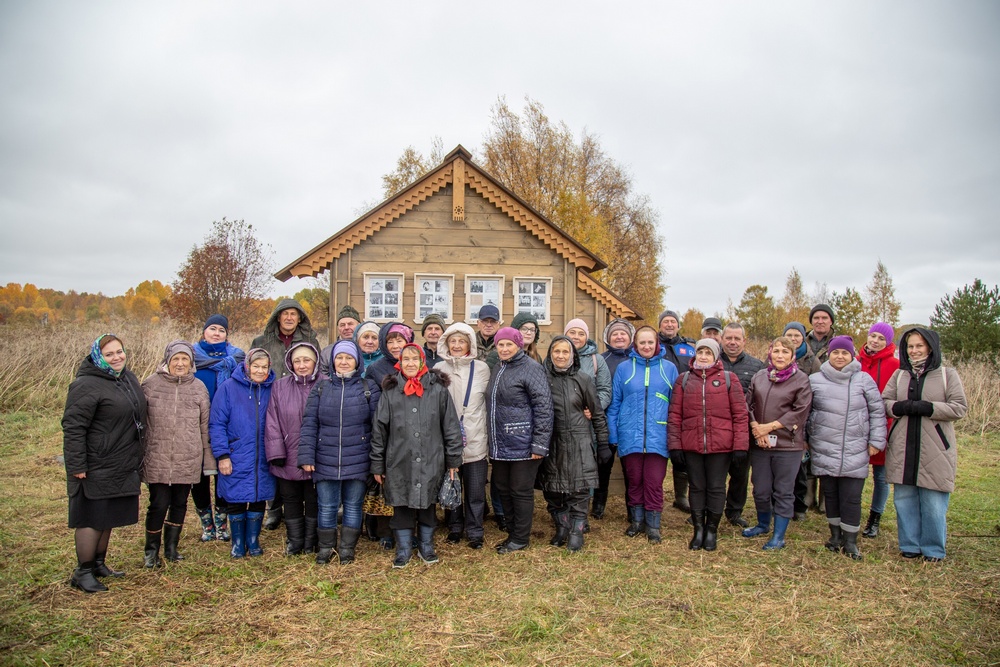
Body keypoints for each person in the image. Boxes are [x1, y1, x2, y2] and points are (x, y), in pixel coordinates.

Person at [62, 334, 147, 592]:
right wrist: (77, 465)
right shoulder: (85, 385)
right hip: (96, 462)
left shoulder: (126, 378)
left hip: (120, 460)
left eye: (119, 351)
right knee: (91, 517)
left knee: (106, 514)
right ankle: (82, 571)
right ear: (99, 357)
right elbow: (73, 426)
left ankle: (99, 564)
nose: (117, 357)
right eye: (109, 354)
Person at [370, 344, 463, 568]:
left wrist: (453, 460)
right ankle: (403, 548)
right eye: (406, 359)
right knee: (401, 503)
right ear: (399, 363)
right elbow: (379, 430)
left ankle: (426, 545)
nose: (410, 363)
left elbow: (450, 426)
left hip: (432, 459)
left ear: (422, 362)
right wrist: (377, 464)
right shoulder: (391, 392)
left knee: (427, 504)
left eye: (415, 359)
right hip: (399, 459)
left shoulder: (438, 390)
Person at [883, 327, 967, 562]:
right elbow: (885, 401)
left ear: (930, 347)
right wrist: (898, 407)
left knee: (933, 501)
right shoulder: (900, 375)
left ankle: (933, 549)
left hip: (935, 447)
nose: (914, 350)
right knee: (904, 497)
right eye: (910, 346)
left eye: (919, 346)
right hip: (903, 444)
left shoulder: (946, 375)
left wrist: (929, 408)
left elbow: (959, 408)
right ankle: (909, 544)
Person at [299, 340, 381, 564]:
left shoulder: (368, 388)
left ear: (357, 361)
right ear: (333, 361)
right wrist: (306, 456)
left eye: (349, 358)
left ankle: (347, 549)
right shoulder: (321, 388)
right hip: (325, 458)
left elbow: (377, 428)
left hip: (358, 459)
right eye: (339, 358)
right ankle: (326, 548)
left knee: (353, 506)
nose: (344, 362)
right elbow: (309, 424)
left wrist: (376, 461)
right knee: (327, 506)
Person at [807, 336, 887, 560]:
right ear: (829, 355)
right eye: (835, 352)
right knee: (830, 494)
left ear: (852, 355)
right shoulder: (815, 379)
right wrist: (806, 438)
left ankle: (850, 541)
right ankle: (835, 536)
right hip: (824, 445)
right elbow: (805, 411)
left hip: (855, 447)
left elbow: (877, 412)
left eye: (844, 353)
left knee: (851, 497)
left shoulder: (863, 379)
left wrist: (876, 442)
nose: (840, 356)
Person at [668, 338, 749, 552]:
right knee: (697, 487)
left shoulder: (728, 379)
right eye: (700, 352)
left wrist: (740, 445)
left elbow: (740, 415)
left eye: (708, 353)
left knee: (715, 487)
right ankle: (698, 529)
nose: (704, 356)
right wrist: (675, 445)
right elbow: (675, 415)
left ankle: (712, 529)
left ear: (716, 356)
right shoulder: (684, 380)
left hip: (721, 446)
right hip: (691, 445)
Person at [140, 341, 212, 568]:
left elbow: (205, 426)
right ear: (167, 361)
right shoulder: (151, 385)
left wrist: (207, 458)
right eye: (176, 359)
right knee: (159, 503)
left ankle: (172, 548)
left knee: (180, 503)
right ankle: (151, 551)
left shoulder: (199, 387)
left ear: (191, 362)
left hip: (187, 456)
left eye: (185, 360)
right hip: (158, 455)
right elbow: (141, 423)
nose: (180, 364)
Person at [252, 298, 321, 531]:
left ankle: (303, 516)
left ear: (299, 317)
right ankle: (274, 509)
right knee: (275, 454)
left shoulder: (310, 341)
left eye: (294, 314)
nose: (289, 318)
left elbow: (318, 369)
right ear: (278, 317)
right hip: (271, 398)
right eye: (285, 314)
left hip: (303, 398)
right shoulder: (262, 341)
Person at [607, 325, 679, 544]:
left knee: (654, 481)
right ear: (635, 344)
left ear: (656, 344)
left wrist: (675, 436)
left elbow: (676, 405)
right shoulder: (624, 368)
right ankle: (637, 521)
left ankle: (654, 524)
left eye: (650, 342)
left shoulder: (669, 369)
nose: (646, 346)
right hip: (630, 433)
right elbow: (615, 403)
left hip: (659, 433)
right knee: (635, 479)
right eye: (642, 342)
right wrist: (613, 435)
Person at [485, 326, 554, 554]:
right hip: (501, 443)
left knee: (520, 490)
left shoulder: (531, 369)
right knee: (502, 487)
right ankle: (513, 532)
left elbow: (543, 407)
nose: (504, 348)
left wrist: (539, 444)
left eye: (509, 344)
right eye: (500, 344)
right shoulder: (498, 367)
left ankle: (521, 538)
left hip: (524, 444)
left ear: (519, 345)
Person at [541, 336, 612, 551]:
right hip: (552, 440)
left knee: (578, 488)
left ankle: (576, 531)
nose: (560, 356)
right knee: (552, 488)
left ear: (572, 355)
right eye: (556, 351)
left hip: (579, 439)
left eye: (565, 352)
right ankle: (561, 526)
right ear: (550, 354)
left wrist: (603, 443)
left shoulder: (583, 379)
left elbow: (597, 413)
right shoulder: (543, 378)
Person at [742, 336, 813, 551]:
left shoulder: (801, 380)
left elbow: (800, 411)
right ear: (770, 353)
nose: (780, 355)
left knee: (783, 491)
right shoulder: (760, 377)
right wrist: (756, 428)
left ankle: (778, 536)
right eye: (776, 351)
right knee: (761, 490)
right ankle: (763, 524)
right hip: (761, 443)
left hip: (787, 445)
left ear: (792, 356)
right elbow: (748, 404)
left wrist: (769, 427)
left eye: (785, 351)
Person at [209, 349, 276, 558]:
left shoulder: (272, 388)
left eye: (264, 367)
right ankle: (238, 542)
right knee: (235, 496)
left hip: (264, 453)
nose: (260, 370)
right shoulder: (228, 388)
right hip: (236, 452)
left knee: (258, 494)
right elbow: (217, 423)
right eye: (256, 366)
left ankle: (253, 540)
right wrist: (222, 455)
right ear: (247, 366)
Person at [434, 322, 490, 549]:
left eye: (462, 341)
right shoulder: (438, 369)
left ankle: (475, 530)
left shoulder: (482, 369)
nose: (457, 346)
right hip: (448, 438)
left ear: (470, 344)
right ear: (446, 343)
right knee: (452, 485)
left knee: (475, 490)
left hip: (475, 436)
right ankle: (455, 527)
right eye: (453, 341)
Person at [264, 342, 321, 556]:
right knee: (291, 499)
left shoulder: (324, 384)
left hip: (316, 455)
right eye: (297, 361)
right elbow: (272, 420)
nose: (302, 365)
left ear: (315, 362)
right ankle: (295, 540)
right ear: (290, 363)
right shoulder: (280, 386)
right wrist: (276, 452)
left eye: (306, 360)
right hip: (287, 454)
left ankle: (311, 541)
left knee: (314, 499)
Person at [191, 314, 244, 542]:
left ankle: (222, 523)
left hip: (226, 424)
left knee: (224, 472)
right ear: (204, 332)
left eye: (221, 330)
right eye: (212, 329)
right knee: (200, 475)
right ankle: (207, 524)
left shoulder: (236, 359)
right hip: (197, 425)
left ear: (226, 335)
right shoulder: (191, 359)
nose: (216, 333)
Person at [563, 318, 612, 521]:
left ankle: (582, 510)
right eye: (572, 332)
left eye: (580, 333)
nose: (576, 337)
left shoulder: (596, 360)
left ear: (587, 337)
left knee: (585, 466)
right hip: (563, 423)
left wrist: (592, 407)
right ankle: (564, 508)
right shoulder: (558, 355)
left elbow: (605, 390)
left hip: (586, 424)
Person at [719, 323, 765, 527]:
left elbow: (760, 398)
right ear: (722, 339)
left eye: (737, 338)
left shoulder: (757, 366)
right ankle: (712, 508)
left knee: (740, 474)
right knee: (715, 474)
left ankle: (734, 511)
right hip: (717, 429)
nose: (732, 342)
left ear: (744, 341)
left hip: (743, 429)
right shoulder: (712, 361)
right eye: (729, 338)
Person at [857, 322, 900, 539]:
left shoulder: (895, 365)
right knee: (856, 472)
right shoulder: (856, 362)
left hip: (885, 425)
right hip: (857, 426)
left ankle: (875, 518)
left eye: (881, 338)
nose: (875, 341)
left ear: (888, 342)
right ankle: (852, 513)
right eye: (873, 336)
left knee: (881, 476)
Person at [656, 310, 695, 514]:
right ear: (660, 325)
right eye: (665, 321)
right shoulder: (654, 346)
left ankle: (680, 496)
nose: (669, 325)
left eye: (673, 321)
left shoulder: (688, 349)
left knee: (683, 451)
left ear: (678, 326)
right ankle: (655, 491)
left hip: (684, 404)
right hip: (660, 404)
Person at [782, 321, 821, 520]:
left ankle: (799, 506)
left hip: (801, 419)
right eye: (789, 335)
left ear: (803, 337)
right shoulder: (775, 356)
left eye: (797, 335)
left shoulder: (811, 361)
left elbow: (816, 393)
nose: (793, 339)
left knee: (799, 468)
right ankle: (778, 504)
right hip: (778, 420)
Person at [598, 318, 636, 519]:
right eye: (615, 334)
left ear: (630, 337)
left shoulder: (638, 359)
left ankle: (632, 507)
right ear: (608, 338)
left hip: (630, 422)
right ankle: (598, 503)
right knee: (603, 463)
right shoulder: (601, 359)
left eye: (623, 334)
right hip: (605, 420)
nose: (619, 337)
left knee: (631, 466)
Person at [318, 305, 363, 375]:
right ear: (338, 328)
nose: (346, 327)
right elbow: (323, 377)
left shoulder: (366, 348)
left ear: (359, 325)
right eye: (342, 325)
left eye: (350, 324)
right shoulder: (327, 352)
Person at [365, 322, 414, 387]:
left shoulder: (418, 363)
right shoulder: (375, 369)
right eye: (390, 342)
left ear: (407, 342)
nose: (395, 346)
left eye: (399, 341)